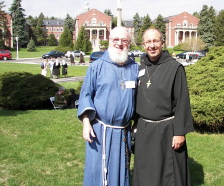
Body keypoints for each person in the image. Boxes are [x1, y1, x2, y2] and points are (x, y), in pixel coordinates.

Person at [77, 26, 138, 186]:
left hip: (123, 131)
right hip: (100, 131)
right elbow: (85, 95)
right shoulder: (97, 67)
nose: (119, 43)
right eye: (115, 39)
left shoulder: (134, 68)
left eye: (124, 40)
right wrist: (85, 123)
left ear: (129, 43)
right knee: (98, 171)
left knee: (121, 171)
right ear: (110, 41)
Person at [133, 28, 194, 186]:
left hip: (167, 131)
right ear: (143, 45)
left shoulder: (175, 68)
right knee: (146, 171)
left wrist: (180, 132)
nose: (152, 45)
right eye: (148, 42)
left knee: (168, 174)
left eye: (155, 41)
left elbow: (182, 101)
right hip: (144, 130)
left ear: (162, 43)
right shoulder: (140, 68)